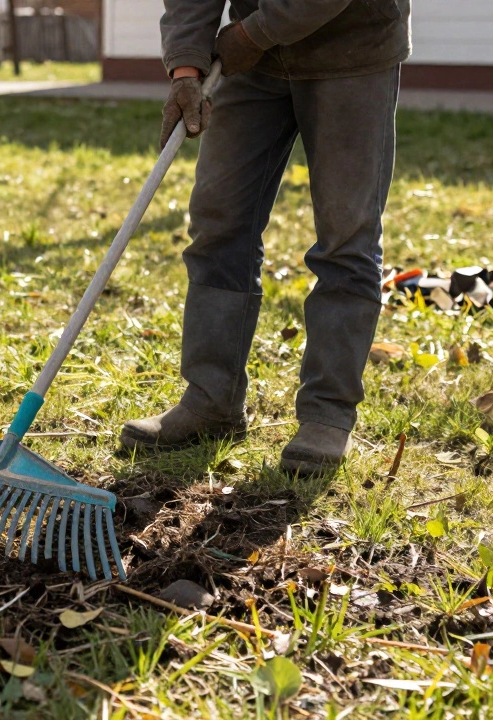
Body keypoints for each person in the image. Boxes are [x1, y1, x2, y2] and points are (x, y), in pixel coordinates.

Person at [119, 0, 411, 475]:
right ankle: (211, 400)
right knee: (219, 223)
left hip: (352, 52)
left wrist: (253, 34)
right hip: (252, 65)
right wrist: (186, 66)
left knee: (345, 237)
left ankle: (327, 416)